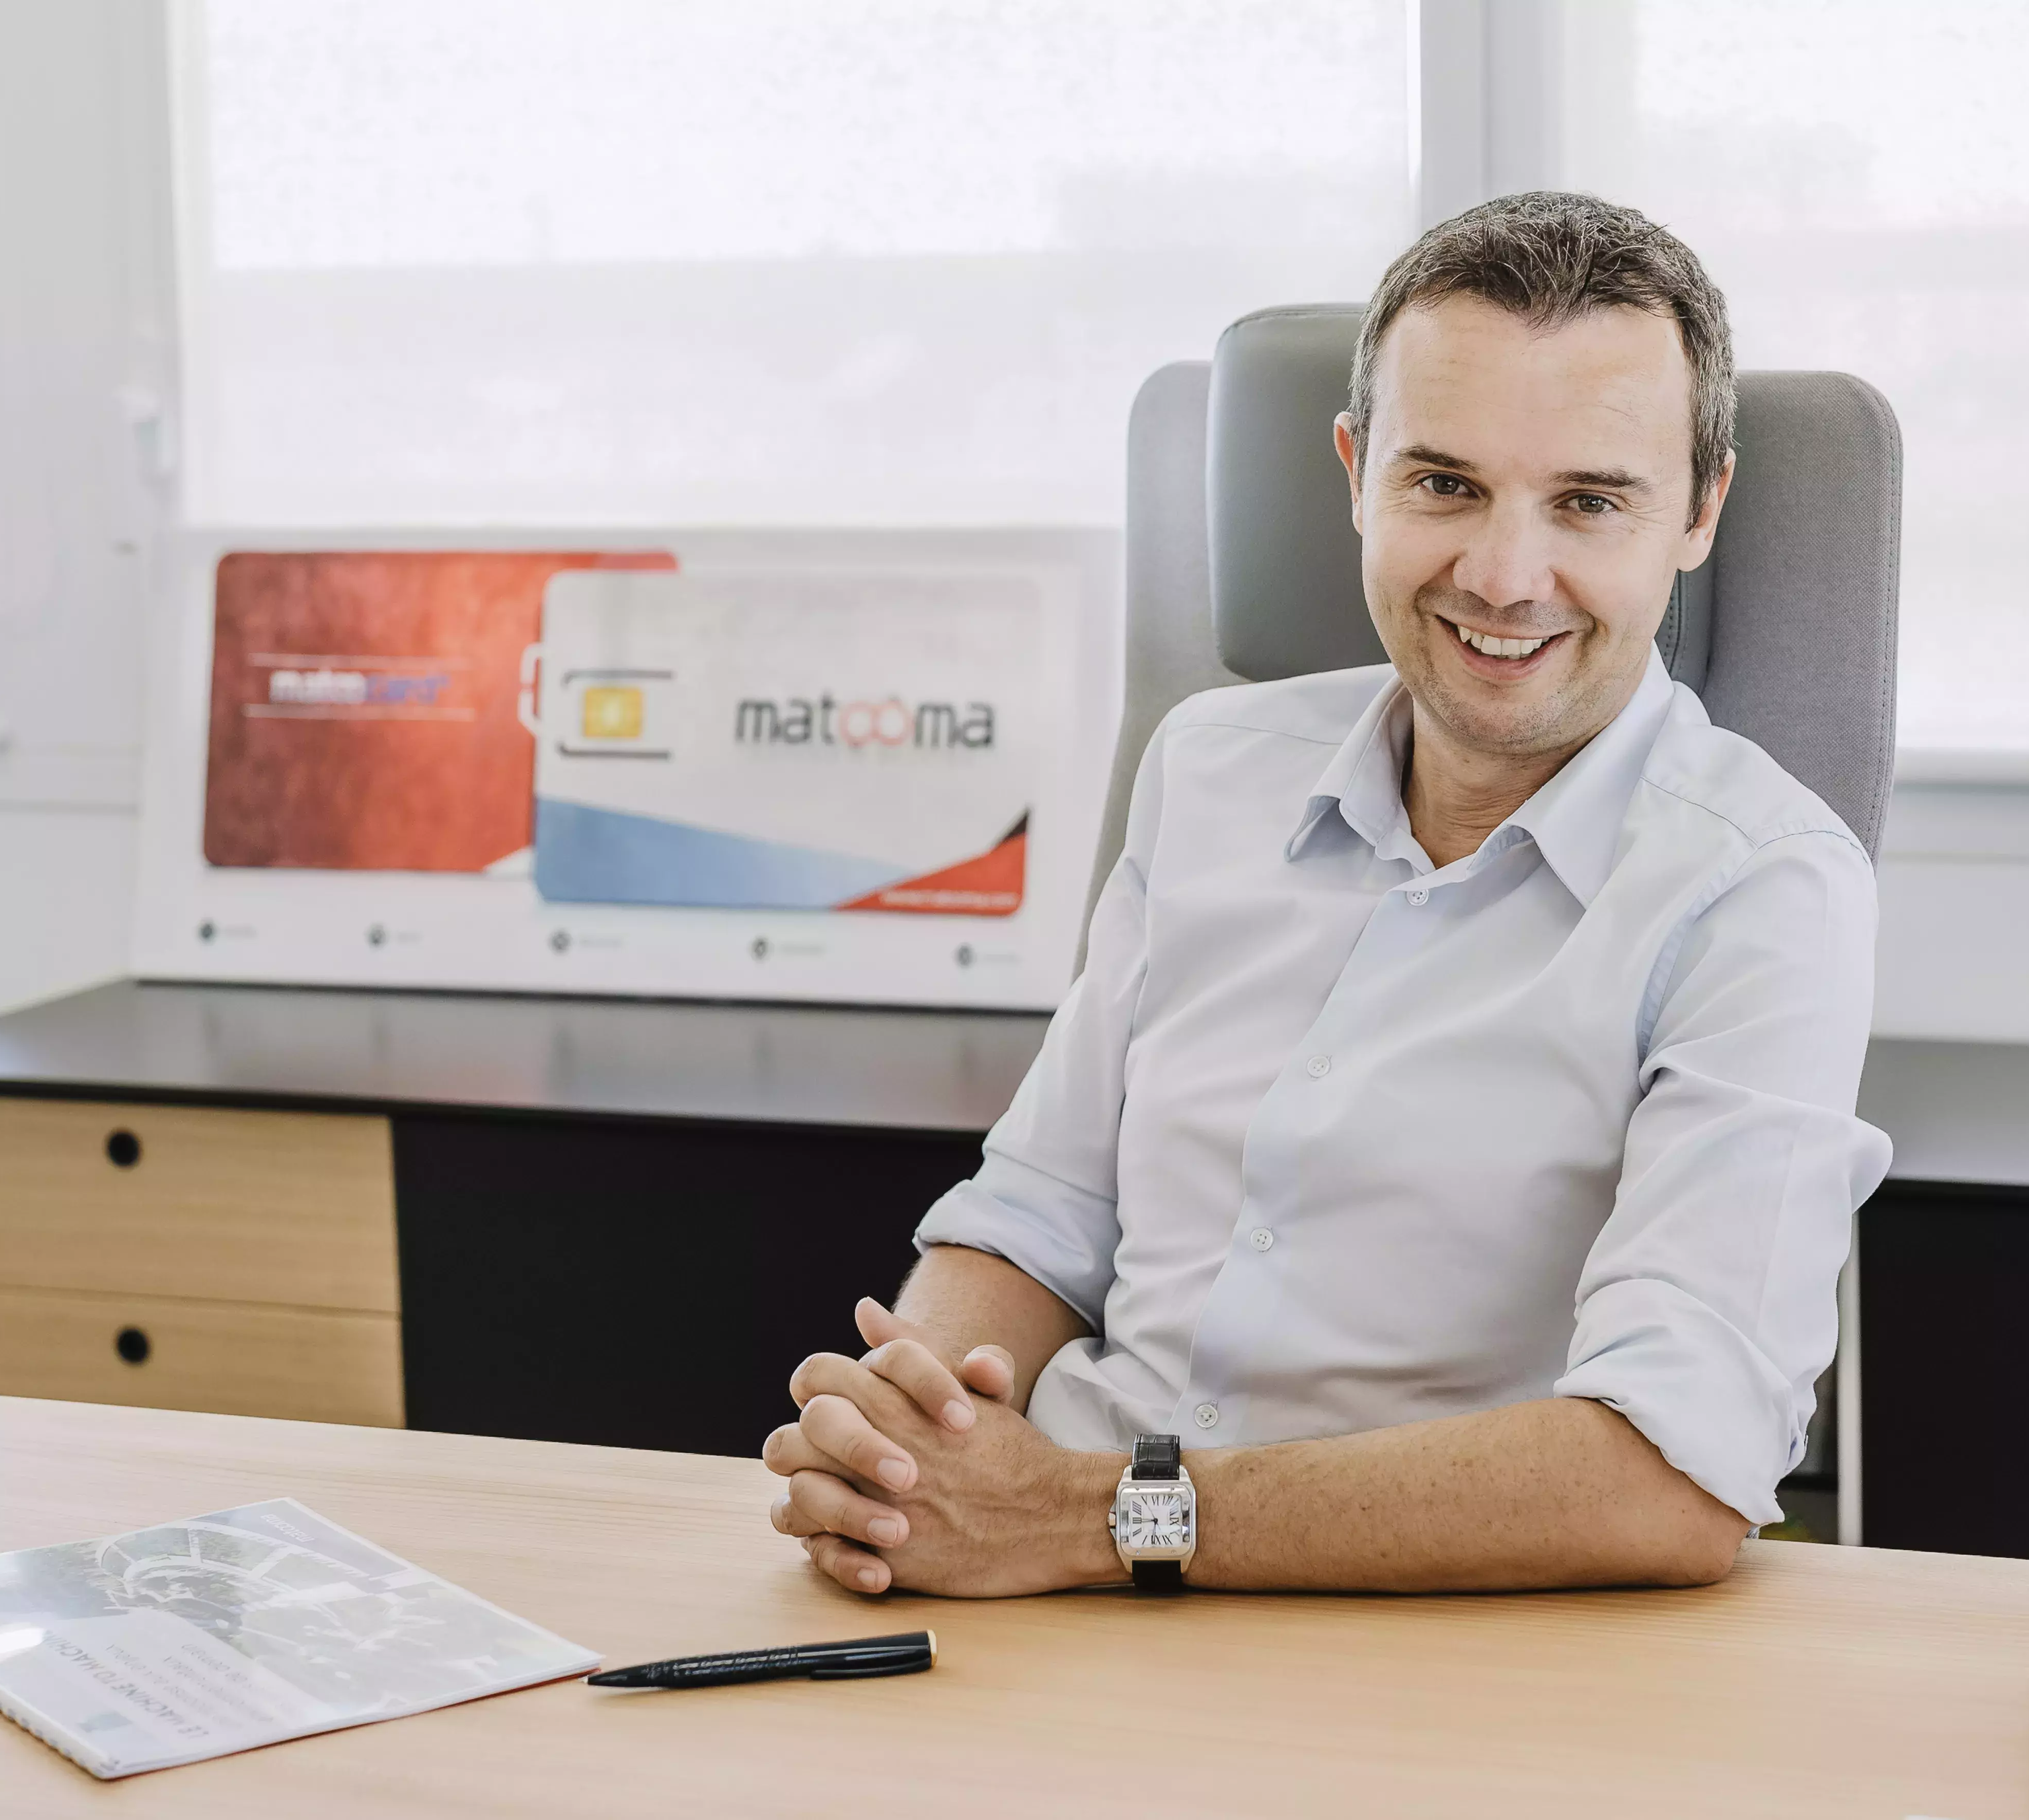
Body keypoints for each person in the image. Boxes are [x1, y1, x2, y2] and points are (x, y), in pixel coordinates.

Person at [764, 191, 1889, 1597]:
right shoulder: (1208, 766)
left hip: (1417, 1638)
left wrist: (1085, 1518)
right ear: (1356, 472)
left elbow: (1669, 1474)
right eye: (1445, 485)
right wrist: (907, 1457)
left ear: (1699, 511)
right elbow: (1042, 1215)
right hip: (1047, 1593)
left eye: (1589, 502)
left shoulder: (1764, 886)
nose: (1504, 576)